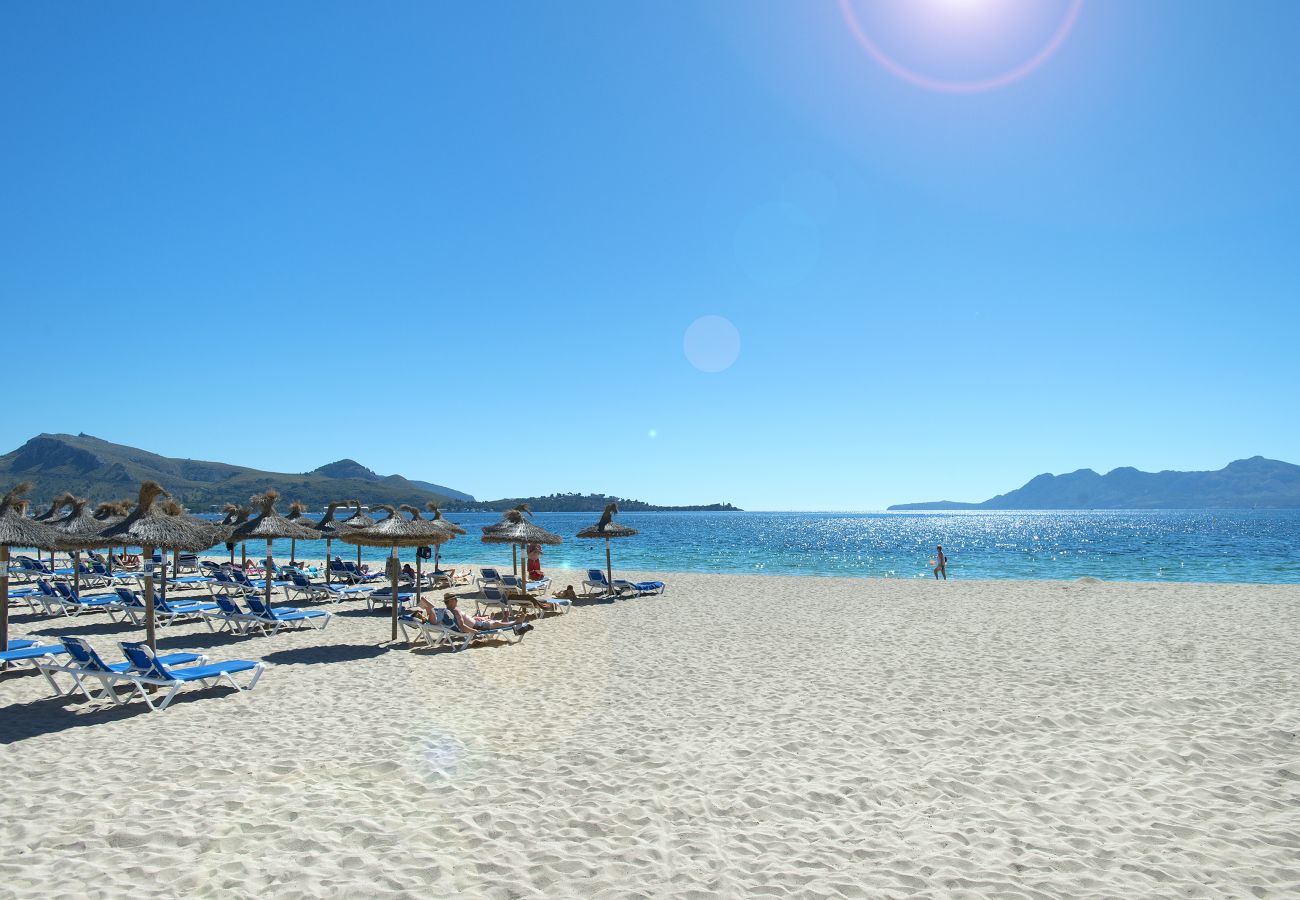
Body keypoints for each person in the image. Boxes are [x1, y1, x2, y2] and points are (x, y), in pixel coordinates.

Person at [420, 593, 530, 637]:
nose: (457, 600)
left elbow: (462, 622)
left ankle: (505, 619)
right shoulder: (455, 611)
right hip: (476, 626)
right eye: (455, 599)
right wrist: (473, 631)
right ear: (452, 601)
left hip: (475, 622)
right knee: (496, 623)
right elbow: (462, 626)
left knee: (492, 622)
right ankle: (516, 622)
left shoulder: (449, 611)